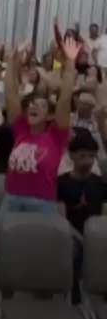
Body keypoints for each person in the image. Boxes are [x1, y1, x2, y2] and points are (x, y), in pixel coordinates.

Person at [1, 37, 79, 215]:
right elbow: (11, 96)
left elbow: (65, 100)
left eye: (41, 105)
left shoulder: (55, 136)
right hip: (11, 199)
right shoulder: (21, 130)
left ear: (50, 115)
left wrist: (70, 62)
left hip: (41, 203)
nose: (33, 106)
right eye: (31, 104)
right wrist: (11, 62)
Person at [57, 130, 107, 304]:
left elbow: (103, 215)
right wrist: (82, 239)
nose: (88, 161)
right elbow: (62, 219)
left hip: (96, 235)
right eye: (83, 156)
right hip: (72, 235)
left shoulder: (99, 183)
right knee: (73, 254)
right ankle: (74, 300)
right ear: (72, 156)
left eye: (92, 156)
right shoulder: (62, 183)